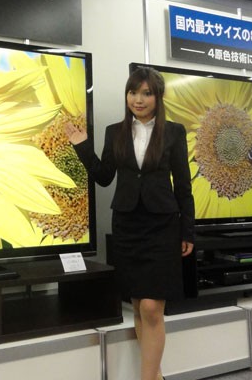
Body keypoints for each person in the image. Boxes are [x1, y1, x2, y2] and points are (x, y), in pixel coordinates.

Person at [64, 66, 194, 380]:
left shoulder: (174, 132)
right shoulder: (115, 132)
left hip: (162, 226)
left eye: (146, 93)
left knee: (151, 307)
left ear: (158, 97)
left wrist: (188, 230)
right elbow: (104, 177)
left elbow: (183, 186)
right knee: (137, 305)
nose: (138, 99)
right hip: (127, 225)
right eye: (133, 92)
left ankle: (147, 378)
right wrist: (82, 146)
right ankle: (155, 375)